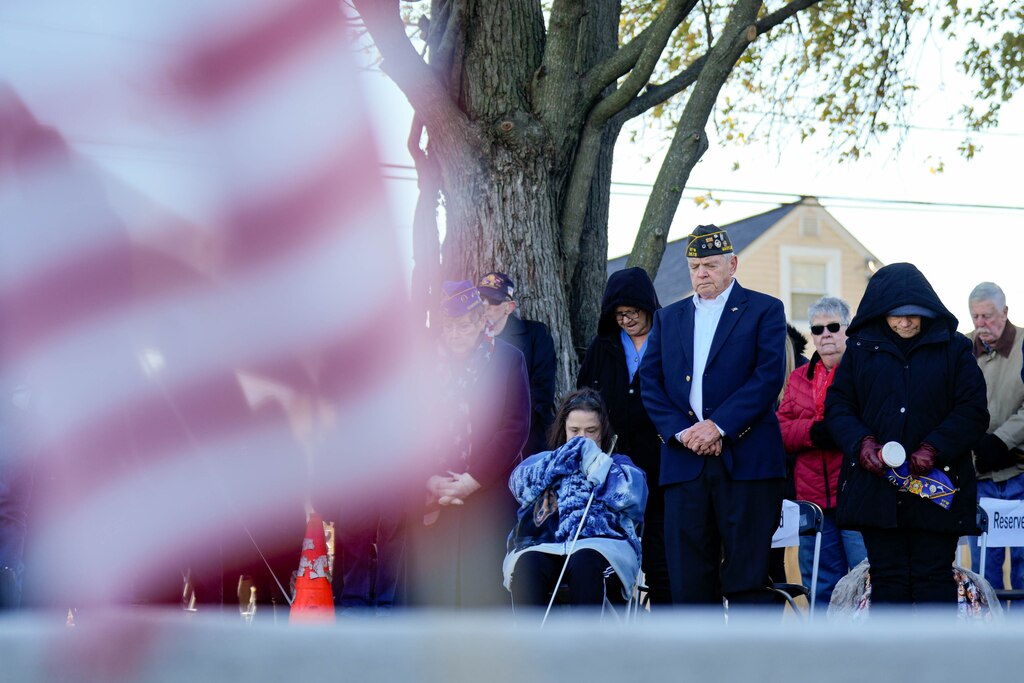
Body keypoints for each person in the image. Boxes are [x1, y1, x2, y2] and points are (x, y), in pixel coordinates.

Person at [639, 224, 788, 608]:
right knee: (688, 577)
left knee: (749, 575)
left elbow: (768, 376)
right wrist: (683, 432)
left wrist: (718, 426)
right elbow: (650, 383)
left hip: (747, 461)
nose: (701, 274)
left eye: (709, 265)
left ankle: (749, 666)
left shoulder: (765, 310)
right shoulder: (668, 318)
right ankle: (697, 666)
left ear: (732, 264)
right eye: (694, 266)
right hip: (685, 461)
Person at [826, 263, 988, 606]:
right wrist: (862, 443)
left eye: (913, 314)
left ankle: (935, 660)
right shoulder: (859, 349)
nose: (905, 322)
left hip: (938, 488)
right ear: (880, 313)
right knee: (888, 577)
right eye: (896, 315)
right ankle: (891, 660)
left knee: (933, 577)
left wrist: (935, 447)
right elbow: (839, 407)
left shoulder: (955, 348)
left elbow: (973, 410)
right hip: (877, 491)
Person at [408, 280, 530, 608]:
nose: (456, 333)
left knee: (484, 597)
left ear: (480, 322)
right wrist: (431, 480)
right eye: (448, 326)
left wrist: (471, 481)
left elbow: (514, 428)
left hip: (487, 496)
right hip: (435, 497)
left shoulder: (508, 359)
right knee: (435, 598)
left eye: (464, 325)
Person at [503, 388, 647, 610]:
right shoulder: (544, 460)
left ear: (603, 431)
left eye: (591, 431)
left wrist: (596, 463)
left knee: (585, 562)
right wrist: (556, 464)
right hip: (546, 545)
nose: (583, 439)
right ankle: (530, 642)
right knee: (528, 566)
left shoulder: (618, 463)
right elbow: (518, 486)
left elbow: (635, 497)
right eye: (575, 431)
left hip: (602, 547)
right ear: (563, 430)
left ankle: (587, 643)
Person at [577, 267, 670, 605]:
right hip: (611, 474)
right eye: (619, 314)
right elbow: (584, 402)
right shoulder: (602, 348)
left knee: (662, 561)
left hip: (662, 471)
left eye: (633, 312)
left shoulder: (670, 339)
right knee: (609, 558)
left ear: (649, 305)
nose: (627, 320)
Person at [776, 296, 867, 609]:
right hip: (813, 502)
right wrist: (815, 432)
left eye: (832, 327)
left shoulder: (864, 370)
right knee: (819, 585)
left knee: (864, 581)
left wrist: (838, 430)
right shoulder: (798, 378)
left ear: (847, 329)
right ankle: (823, 655)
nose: (825, 334)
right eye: (817, 329)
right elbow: (781, 431)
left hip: (855, 495)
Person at [966, 282, 1024, 590]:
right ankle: (984, 635)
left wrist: (1002, 439)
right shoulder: (963, 348)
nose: (980, 324)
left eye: (987, 316)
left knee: (1023, 566)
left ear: (1005, 311)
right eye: (975, 316)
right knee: (982, 568)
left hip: (1019, 473)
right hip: (980, 476)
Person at [477, 272, 557, 458]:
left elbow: (542, 393)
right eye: (480, 299)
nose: (485, 305)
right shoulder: (471, 339)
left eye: (494, 300)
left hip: (527, 443)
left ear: (509, 307)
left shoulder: (536, 335)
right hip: (480, 445)